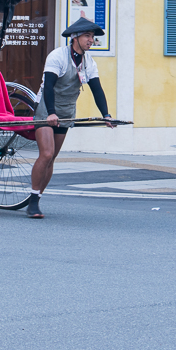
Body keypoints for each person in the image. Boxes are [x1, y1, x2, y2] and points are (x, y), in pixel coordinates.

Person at [27, 18, 113, 219]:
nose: (91, 40)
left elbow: (97, 90)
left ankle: (38, 198)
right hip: (47, 108)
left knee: (53, 158)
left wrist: (106, 115)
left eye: (92, 37)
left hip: (66, 111)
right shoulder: (57, 56)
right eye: (87, 36)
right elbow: (48, 86)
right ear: (75, 37)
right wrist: (50, 112)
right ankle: (32, 200)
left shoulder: (89, 62)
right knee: (46, 154)